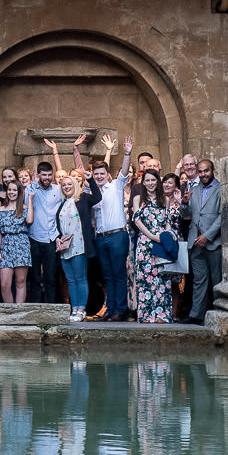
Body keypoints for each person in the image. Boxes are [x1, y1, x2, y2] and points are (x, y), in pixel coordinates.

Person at [89, 134, 135, 321]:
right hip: (101, 237)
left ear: (107, 175)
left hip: (117, 236)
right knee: (107, 276)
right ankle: (110, 309)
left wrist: (126, 153)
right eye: (96, 174)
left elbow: (124, 171)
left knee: (118, 273)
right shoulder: (92, 192)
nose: (99, 176)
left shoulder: (116, 186)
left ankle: (120, 310)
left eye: (102, 173)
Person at [179, 158, 222, 324]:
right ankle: (196, 315)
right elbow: (186, 215)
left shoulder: (220, 189)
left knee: (216, 280)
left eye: (206, 171)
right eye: (201, 171)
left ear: (213, 171)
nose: (203, 174)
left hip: (213, 242)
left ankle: (220, 313)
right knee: (199, 280)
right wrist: (184, 204)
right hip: (195, 242)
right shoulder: (194, 190)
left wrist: (207, 236)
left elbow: (221, 216)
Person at [53, 170, 100, 322]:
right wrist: (58, 239)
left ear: (75, 185)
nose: (66, 187)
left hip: (79, 246)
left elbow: (98, 197)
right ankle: (74, 308)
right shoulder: (62, 204)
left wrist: (90, 180)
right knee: (70, 280)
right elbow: (60, 226)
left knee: (80, 278)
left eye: (69, 184)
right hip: (65, 248)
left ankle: (82, 309)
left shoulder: (83, 198)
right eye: (63, 185)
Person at [130, 169, 175, 323]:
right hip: (145, 242)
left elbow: (168, 221)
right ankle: (147, 315)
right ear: (143, 182)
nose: (150, 183)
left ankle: (162, 315)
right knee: (145, 279)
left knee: (162, 278)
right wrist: (152, 236)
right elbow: (137, 221)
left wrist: (167, 237)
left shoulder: (165, 200)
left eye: (153, 180)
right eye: (147, 180)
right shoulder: (138, 199)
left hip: (161, 242)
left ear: (158, 182)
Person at [26, 159, 64, 302]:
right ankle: (36, 308)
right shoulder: (30, 189)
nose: (47, 178)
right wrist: (34, 185)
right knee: (35, 277)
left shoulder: (57, 189)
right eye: (44, 175)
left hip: (52, 238)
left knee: (51, 277)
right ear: (38, 175)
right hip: (34, 238)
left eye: (49, 175)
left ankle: (51, 308)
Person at [0, 179, 31, 304]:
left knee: (20, 282)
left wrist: (30, 199)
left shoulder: (25, 208)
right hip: (6, 244)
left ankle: (19, 312)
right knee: (4, 284)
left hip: (21, 244)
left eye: (14, 190)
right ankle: (10, 312)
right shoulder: (1, 209)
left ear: (19, 192)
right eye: (9, 189)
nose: (11, 192)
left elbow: (30, 220)